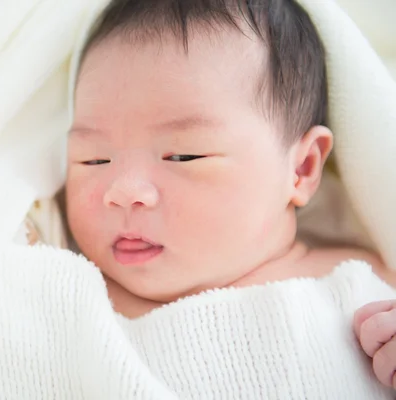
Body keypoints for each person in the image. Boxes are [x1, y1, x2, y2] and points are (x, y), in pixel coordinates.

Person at [63, 0, 396, 395]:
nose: (123, 192)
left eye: (184, 155)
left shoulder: (364, 285)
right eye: (93, 159)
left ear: (302, 168)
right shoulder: (76, 300)